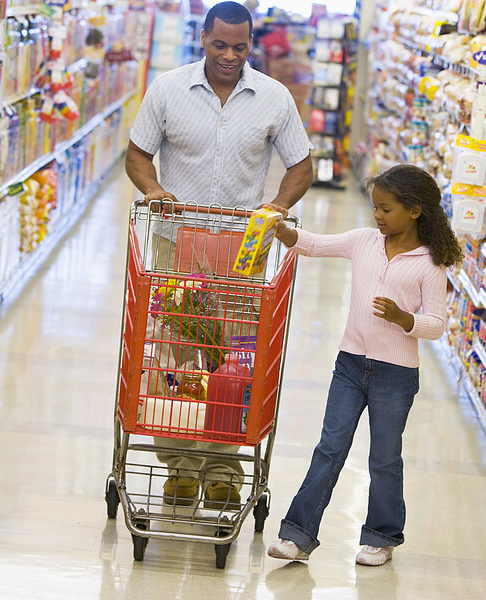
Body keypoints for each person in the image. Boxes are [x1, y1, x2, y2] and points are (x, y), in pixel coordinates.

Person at [124, 1, 313, 511]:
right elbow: (137, 154)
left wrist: (276, 206)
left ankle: (226, 470)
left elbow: (301, 166)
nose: (230, 55)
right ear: (202, 38)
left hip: (240, 256)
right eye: (219, 44)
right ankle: (181, 469)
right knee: (172, 358)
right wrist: (153, 189)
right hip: (175, 246)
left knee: (233, 365)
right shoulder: (167, 89)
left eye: (240, 46)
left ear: (251, 43)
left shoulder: (274, 98)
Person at [264, 164, 463, 566]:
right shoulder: (364, 242)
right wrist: (283, 231)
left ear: (414, 211)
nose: (377, 216)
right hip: (351, 364)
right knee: (329, 447)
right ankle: (298, 536)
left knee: (384, 456)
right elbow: (316, 244)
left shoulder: (430, 264)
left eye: (386, 209)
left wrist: (404, 319)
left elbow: (438, 325)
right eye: (376, 208)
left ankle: (381, 537)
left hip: (396, 375)